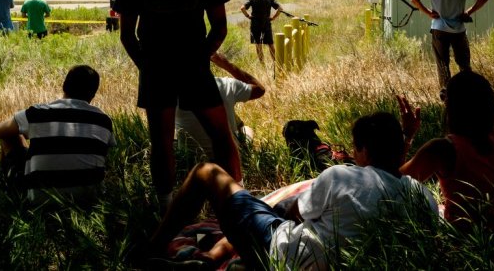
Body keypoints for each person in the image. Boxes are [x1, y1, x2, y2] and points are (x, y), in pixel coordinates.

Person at [149, 112, 438, 270]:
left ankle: (150, 248)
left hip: (288, 254)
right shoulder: (423, 198)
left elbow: (294, 213)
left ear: (362, 150)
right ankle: (213, 255)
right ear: (400, 151)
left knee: (207, 172)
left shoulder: (341, 176)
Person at [113, 0, 242, 214]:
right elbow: (220, 27)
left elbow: (127, 34)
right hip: (194, 66)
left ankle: (166, 208)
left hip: (156, 69)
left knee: (162, 143)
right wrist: (200, 58)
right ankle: (237, 201)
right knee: (221, 136)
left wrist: (148, 66)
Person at [399, 71, 494, 233]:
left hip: (470, 243)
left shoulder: (442, 148)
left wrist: (407, 136)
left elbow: (394, 182)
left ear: (451, 105)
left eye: (444, 96)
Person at [0, 64, 115, 206]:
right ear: (93, 94)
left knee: (10, 135)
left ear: (64, 86)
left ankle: (10, 191)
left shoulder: (37, 113)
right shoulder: (104, 120)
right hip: (89, 199)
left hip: (40, 200)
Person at [175, 51, 266, 160]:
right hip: (229, 160)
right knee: (246, 129)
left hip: (192, 162)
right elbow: (259, 89)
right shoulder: (227, 85)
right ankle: (245, 150)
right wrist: (226, 63)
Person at [410, 0, 489, 97]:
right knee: (464, 63)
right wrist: (468, 12)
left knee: (442, 63)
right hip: (459, 30)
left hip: (439, 28)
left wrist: (428, 13)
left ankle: (446, 93)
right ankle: (468, 91)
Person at [240, 0, 284, 64]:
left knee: (258, 44)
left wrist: (248, 16)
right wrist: (273, 17)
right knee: (270, 44)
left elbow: (242, 8)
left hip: (255, 24)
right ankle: (276, 62)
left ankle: (262, 64)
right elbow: (280, 8)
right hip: (266, 23)